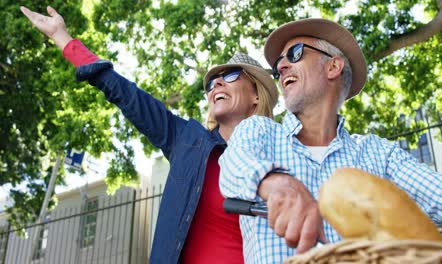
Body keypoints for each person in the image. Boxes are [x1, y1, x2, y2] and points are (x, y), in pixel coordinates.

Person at [20, 6, 279, 263]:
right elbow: (126, 94)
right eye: (211, 83)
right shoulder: (187, 140)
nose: (217, 84)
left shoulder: (283, 153)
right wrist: (62, 38)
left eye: (231, 75)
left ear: (257, 95)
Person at [219, 18, 442, 263]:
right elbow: (233, 164)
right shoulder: (259, 131)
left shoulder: (378, 153)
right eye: (278, 64)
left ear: (333, 67)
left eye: (294, 54)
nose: (281, 66)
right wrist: (275, 184)